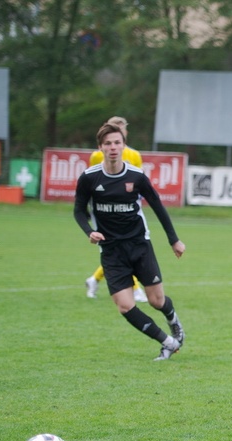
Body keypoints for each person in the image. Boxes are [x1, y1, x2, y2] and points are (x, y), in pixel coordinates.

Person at [73, 121, 186, 361]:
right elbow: (78, 211)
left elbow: (158, 206)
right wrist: (89, 231)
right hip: (111, 250)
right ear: (100, 147)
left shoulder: (136, 176)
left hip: (139, 246)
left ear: (123, 146)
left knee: (157, 301)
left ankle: (173, 321)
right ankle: (167, 343)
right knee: (125, 305)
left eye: (117, 143)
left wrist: (173, 240)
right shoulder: (89, 178)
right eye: (108, 143)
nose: (113, 147)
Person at [84, 116, 148, 303]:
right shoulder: (97, 156)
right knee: (116, 248)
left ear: (125, 134)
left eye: (121, 130)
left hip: (127, 211)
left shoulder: (135, 155)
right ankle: (135, 289)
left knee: (121, 249)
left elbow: (140, 182)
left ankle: (94, 280)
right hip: (105, 211)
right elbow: (91, 181)